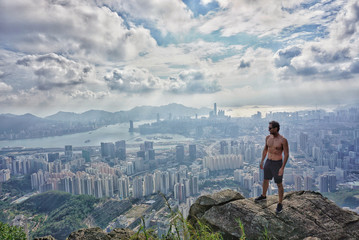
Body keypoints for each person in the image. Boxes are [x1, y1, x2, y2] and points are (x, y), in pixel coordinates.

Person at [255, 121, 289, 214]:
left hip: (277, 163)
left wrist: (282, 168)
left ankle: (280, 203)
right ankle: (263, 195)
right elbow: (265, 149)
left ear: (276, 128)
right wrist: (262, 161)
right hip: (268, 162)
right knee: (265, 180)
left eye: (270, 128)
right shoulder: (268, 138)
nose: (268, 129)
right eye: (268, 128)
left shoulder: (283, 140)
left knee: (279, 183)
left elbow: (286, 154)